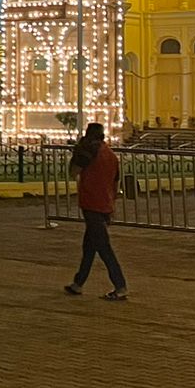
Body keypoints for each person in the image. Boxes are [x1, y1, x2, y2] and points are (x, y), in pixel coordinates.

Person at [63, 122, 127, 301]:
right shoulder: (111, 155)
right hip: (105, 203)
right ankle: (78, 283)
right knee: (89, 246)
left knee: (103, 246)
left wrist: (76, 152)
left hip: (91, 202)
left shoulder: (88, 151)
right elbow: (116, 182)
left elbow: (73, 172)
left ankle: (120, 285)